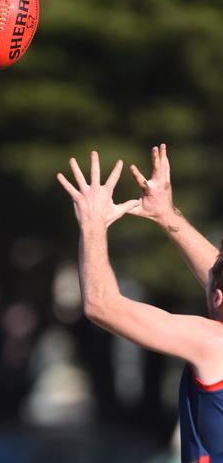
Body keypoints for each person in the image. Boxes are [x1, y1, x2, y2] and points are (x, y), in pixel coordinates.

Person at [57, 145, 223, 463]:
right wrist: (167, 216)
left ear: (216, 297)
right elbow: (216, 278)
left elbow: (101, 305)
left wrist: (93, 224)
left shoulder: (213, 343)